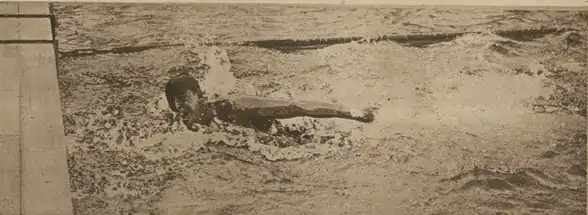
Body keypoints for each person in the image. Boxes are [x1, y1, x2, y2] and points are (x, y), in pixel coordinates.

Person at [164, 67, 376, 133]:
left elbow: (296, 107)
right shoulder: (181, 124)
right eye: (174, 101)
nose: (179, 106)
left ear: (200, 96)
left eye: (184, 98)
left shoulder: (237, 107)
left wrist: (350, 112)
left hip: (283, 141)